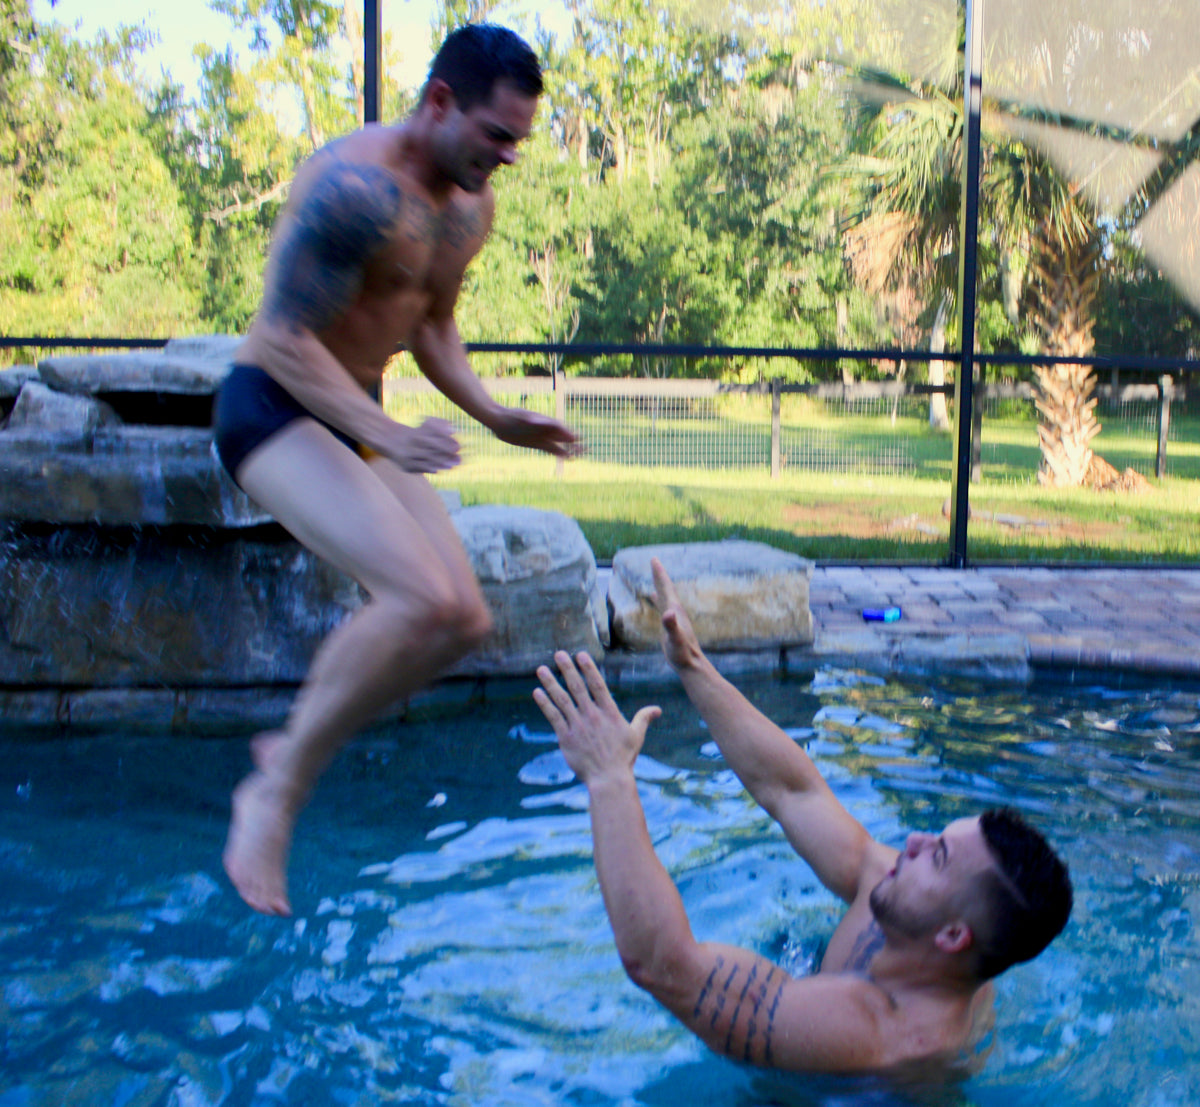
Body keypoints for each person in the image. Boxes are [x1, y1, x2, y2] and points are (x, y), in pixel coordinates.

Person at [213, 24, 579, 916]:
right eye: (497, 135)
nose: (507, 157)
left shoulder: (467, 207)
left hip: (364, 423)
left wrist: (496, 415)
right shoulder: (351, 189)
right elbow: (280, 338)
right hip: (276, 410)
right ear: (442, 101)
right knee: (421, 598)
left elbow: (431, 326)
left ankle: (290, 750)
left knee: (463, 615)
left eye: (518, 141)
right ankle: (278, 788)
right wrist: (382, 427)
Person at [532, 558, 1072, 1077]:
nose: (913, 842)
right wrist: (692, 664)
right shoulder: (933, 924)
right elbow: (795, 793)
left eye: (938, 855)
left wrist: (609, 780)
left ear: (954, 935)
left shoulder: (867, 1035)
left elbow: (662, 965)